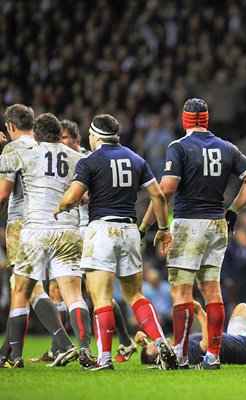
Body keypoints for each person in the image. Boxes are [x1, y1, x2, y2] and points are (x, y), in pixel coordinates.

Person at [140, 97, 246, 370]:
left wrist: (149, 226)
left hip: (188, 224)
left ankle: (180, 357)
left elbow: (167, 189)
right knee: (212, 291)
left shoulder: (179, 147)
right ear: (206, 119)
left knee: (181, 293)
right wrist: (233, 211)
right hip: (217, 223)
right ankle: (213, 357)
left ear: (185, 119)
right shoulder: (227, 147)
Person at [55, 113, 176, 371]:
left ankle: (105, 359)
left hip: (102, 230)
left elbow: (72, 197)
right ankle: (162, 342)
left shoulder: (90, 160)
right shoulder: (136, 158)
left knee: (101, 299)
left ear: (96, 136)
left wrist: (61, 206)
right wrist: (163, 228)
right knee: (135, 295)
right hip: (130, 230)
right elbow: (158, 196)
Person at [0, 113, 94, 368]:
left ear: (38, 135)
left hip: (36, 231)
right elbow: (85, 195)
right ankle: (84, 350)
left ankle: (15, 357)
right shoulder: (77, 158)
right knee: (74, 294)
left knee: (21, 292)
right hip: (68, 230)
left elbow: (3, 168)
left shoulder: (26, 153)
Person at [60, 119, 137, 363]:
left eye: (64, 139)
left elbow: (99, 190)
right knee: (73, 289)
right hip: (76, 229)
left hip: (92, 228)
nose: (60, 144)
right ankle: (121, 340)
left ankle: (116, 341)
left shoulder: (89, 158)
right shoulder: (61, 159)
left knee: (95, 292)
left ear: (76, 139)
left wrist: (80, 197)